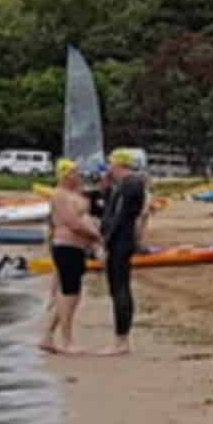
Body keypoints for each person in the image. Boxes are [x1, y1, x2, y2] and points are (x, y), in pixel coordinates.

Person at [40, 161, 101, 355]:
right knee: (68, 293)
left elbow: (86, 218)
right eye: (74, 173)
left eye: (78, 172)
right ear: (65, 175)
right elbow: (73, 222)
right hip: (65, 246)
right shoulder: (60, 195)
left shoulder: (78, 194)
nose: (78, 175)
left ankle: (48, 336)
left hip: (78, 247)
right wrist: (96, 236)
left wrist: (95, 240)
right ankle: (66, 340)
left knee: (71, 294)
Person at [94, 148, 149, 354]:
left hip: (121, 242)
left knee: (120, 288)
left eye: (110, 164)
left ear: (118, 164)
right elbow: (108, 212)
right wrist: (106, 189)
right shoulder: (123, 185)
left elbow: (121, 217)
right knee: (117, 288)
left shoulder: (131, 184)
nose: (108, 168)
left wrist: (106, 242)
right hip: (120, 240)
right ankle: (120, 339)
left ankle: (121, 341)